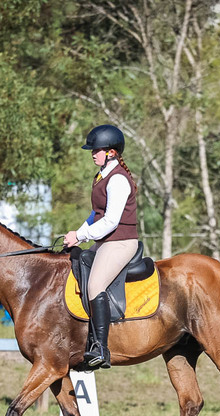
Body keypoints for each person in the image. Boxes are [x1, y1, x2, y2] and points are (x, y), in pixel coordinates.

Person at [63, 124, 139, 370]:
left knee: (95, 285)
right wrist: (76, 235)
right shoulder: (102, 176)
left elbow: (110, 221)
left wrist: (81, 235)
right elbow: (96, 215)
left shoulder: (117, 180)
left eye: (96, 150)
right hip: (106, 241)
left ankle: (100, 348)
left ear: (111, 152)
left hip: (120, 242)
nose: (92, 154)